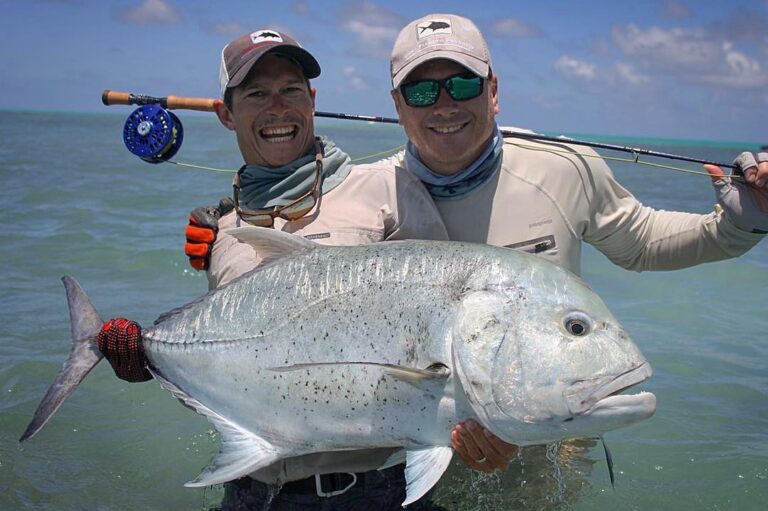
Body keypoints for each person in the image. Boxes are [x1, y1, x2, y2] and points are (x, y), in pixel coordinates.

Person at [384, 12, 767, 478]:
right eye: (421, 92)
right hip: (424, 441)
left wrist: (741, 223)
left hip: (551, 444)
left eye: (462, 84)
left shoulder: (562, 166)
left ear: (494, 91)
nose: (444, 105)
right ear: (399, 106)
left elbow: (642, 241)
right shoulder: (373, 193)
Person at [97, 29, 452, 510]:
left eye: (291, 90)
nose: (278, 109)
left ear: (312, 99)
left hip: (374, 493)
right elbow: (233, 365)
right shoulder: (220, 229)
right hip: (250, 492)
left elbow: (444, 331)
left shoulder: (389, 190)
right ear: (227, 114)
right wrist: (151, 361)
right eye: (257, 93)